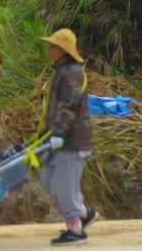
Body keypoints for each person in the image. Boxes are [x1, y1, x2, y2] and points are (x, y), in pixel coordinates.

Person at [37, 29, 98, 246]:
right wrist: (47, 135)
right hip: (59, 140)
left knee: (63, 187)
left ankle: (76, 230)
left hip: (71, 141)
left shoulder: (72, 73)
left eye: (52, 46)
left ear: (62, 51)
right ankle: (82, 213)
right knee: (48, 181)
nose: (49, 49)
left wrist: (60, 134)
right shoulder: (62, 71)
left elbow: (69, 104)